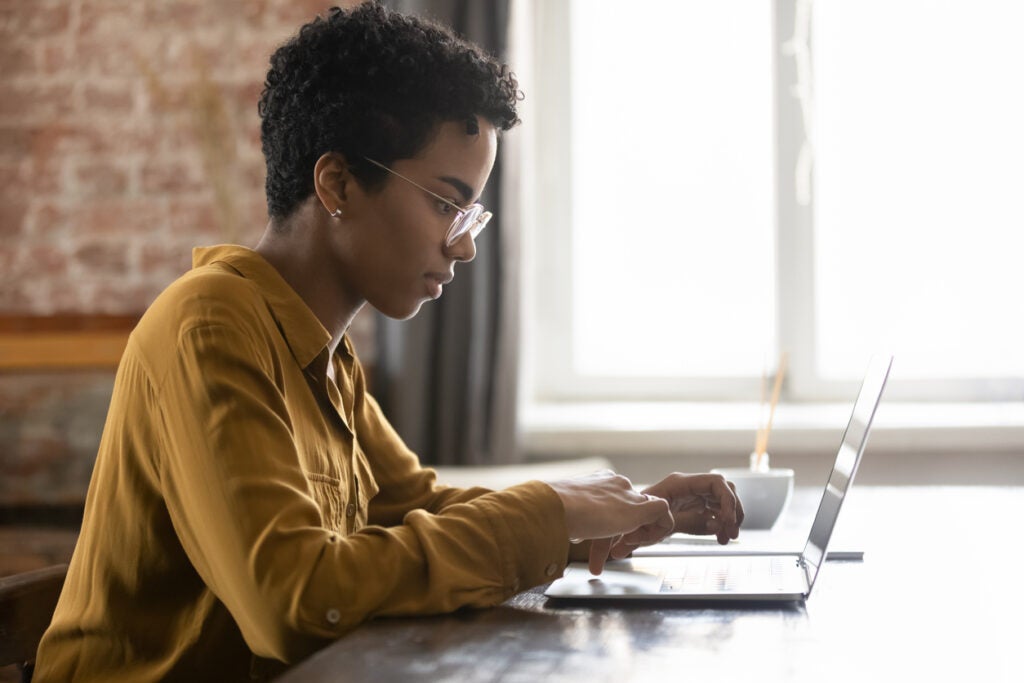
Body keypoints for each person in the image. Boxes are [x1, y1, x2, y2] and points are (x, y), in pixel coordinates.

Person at [33, 4, 742, 682]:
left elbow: (418, 508)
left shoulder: (324, 355)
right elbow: (299, 600)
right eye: (444, 203)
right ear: (337, 183)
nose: (462, 247)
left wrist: (626, 511)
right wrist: (553, 511)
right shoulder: (210, 326)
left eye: (472, 214)